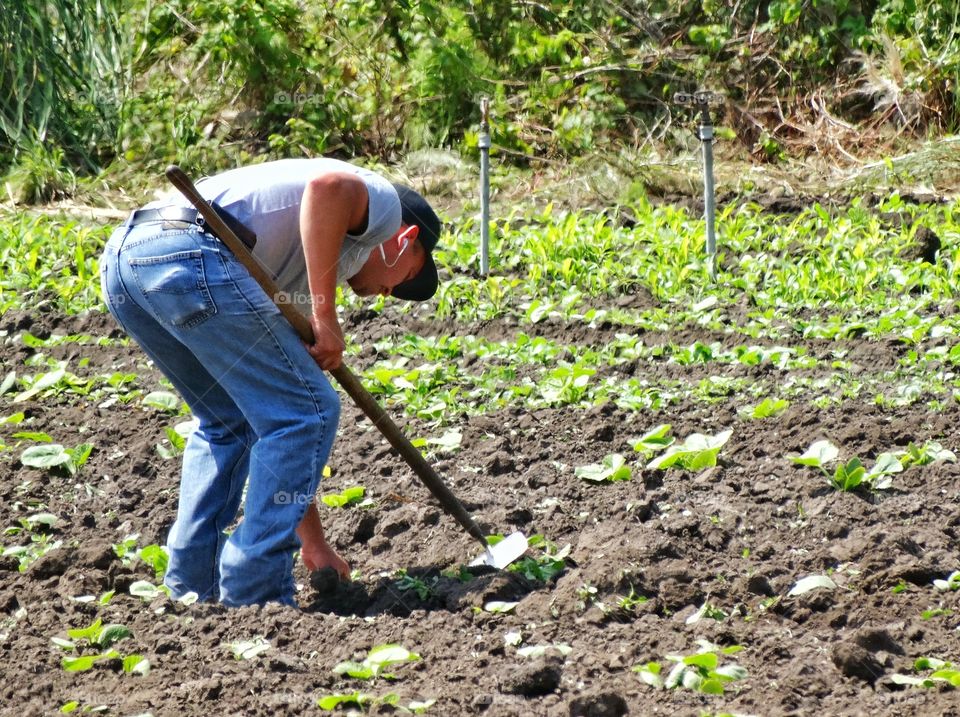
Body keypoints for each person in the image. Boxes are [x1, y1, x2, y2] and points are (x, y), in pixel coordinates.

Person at [99, 158, 442, 607]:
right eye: (408, 277)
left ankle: (192, 589)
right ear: (405, 240)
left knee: (231, 422)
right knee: (309, 411)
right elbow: (329, 186)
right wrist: (325, 314)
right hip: (190, 254)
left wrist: (313, 544)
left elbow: (280, 433)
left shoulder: (299, 269)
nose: (387, 294)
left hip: (129, 262)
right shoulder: (385, 210)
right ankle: (255, 593)